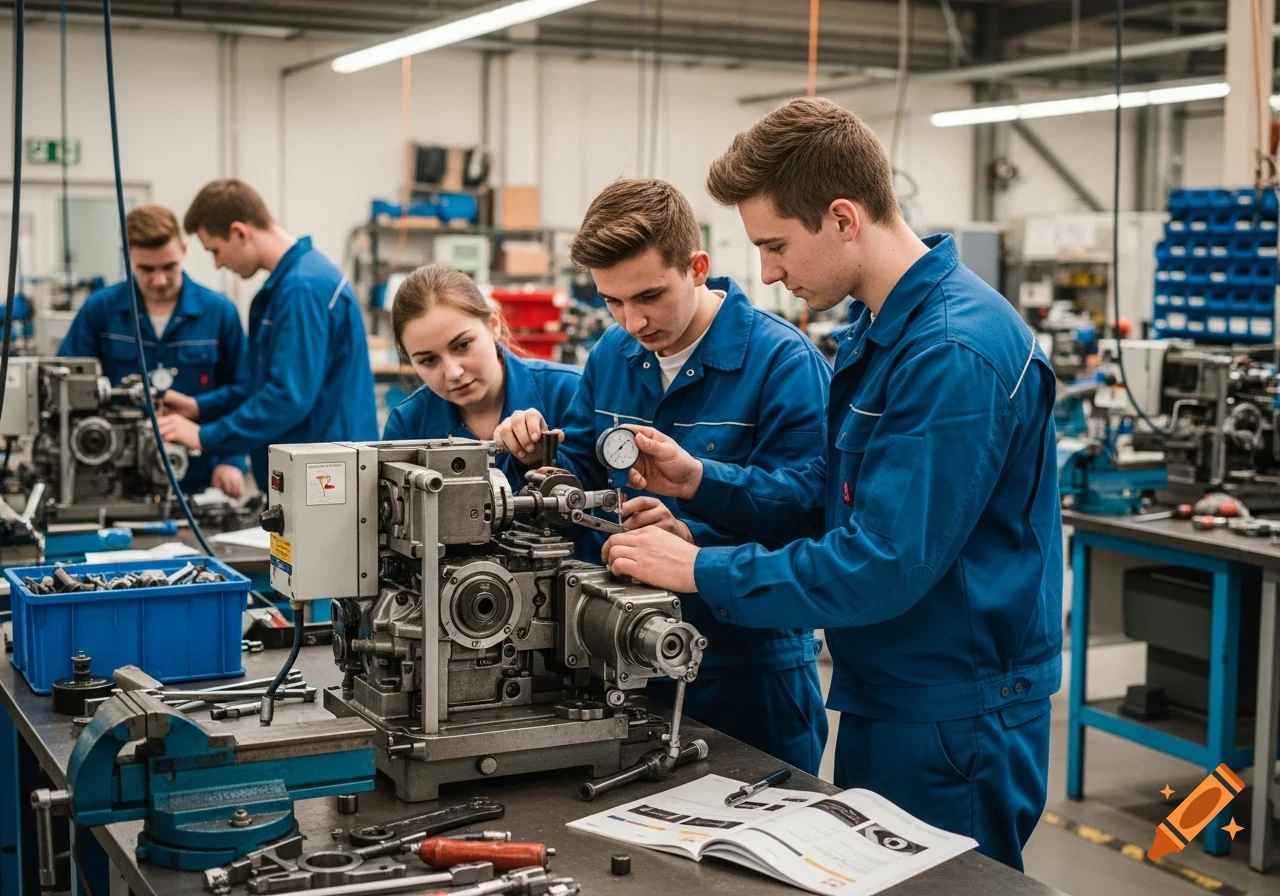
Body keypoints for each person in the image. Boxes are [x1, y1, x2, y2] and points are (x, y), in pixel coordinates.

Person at [598, 98, 1062, 871]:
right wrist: (704, 484)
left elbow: (880, 562)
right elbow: (833, 500)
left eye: (776, 245)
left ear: (843, 217)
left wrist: (700, 569)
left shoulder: (951, 352)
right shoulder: (884, 331)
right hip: (893, 688)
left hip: (954, 708)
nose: (768, 272)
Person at [493, 178, 832, 775]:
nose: (633, 321)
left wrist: (692, 533)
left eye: (648, 296)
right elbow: (586, 475)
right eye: (612, 302)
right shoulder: (610, 358)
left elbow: (809, 513)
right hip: (621, 654)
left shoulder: (782, 363)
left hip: (747, 668)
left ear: (697, 267)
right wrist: (537, 462)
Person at [157, 179, 378, 488]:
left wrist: (203, 436)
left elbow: (287, 398)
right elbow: (264, 384)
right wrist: (200, 408)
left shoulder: (301, 288)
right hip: (316, 472)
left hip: (325, 478)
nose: (217, 263)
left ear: (240, 232)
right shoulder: (295, 282)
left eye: (216, 251)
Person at [59, 203, 248, 497]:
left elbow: (242, 390)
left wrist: (231, 459)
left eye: (168, 267)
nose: (159, 280)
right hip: (114, 479)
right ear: (128, 257)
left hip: (199, 475)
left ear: (184, 251)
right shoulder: (100, 310)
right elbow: (65, 388)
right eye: (146, 269)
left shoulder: (220, 312)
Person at [382, 264, 581, 487]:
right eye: (428, 360)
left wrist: (545, 459)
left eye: (463, 345)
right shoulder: (407, 426)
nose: (453, 373)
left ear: (493, 325)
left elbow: (605, 501)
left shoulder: (573, 393)